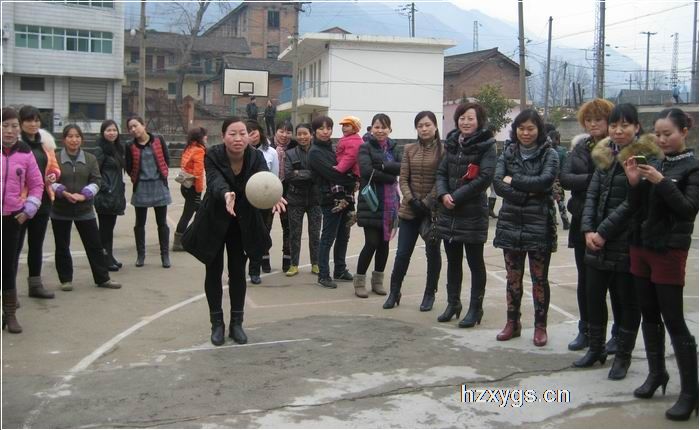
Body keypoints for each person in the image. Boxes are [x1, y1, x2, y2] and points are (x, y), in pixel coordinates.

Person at [182, 116, 286, 346]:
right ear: (223, 136)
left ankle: (236, 323)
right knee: (213, 270)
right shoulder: (213, 154)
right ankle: (216, 324)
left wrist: (274, 195)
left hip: (243, 222)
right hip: (214, 219)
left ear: (249, 136)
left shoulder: (256, 156)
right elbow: (214, 181)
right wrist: (225, 194)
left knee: (238, 271)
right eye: (232, 133)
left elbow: (264, 181)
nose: (238, 138)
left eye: (242, 133)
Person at [574, 103, 660, 380]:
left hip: (627, 241)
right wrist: (588, 229)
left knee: (626, 301)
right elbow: (592, 195)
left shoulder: (645, 157)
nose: (618, 130)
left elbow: (633, 204)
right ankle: (596, 348)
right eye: (614, 125)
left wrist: (602, 232)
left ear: (637, 127)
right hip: (596, 240)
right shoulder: (605, 154)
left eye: (625, 125)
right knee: (594, 296)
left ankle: (623, 356)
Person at [622, 108, 698, 421]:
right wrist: (634, 183)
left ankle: (690, 393)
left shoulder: (692, 167)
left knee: (673, 319)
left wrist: (662, 182)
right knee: (649, 314)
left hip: (668, 249)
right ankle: (657, 374)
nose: (662, 139)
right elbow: (637, 207)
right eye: (658, 134)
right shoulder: (655, 162)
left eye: (669, 133)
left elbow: (688, 209)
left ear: (684, 132)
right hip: (641, 245)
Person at [493, 109, 559, 347]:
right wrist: (526, 194)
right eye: (521, 128)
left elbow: (545, 182)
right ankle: (513, 322)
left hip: (539, 223)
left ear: (539, 130)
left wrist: (514, 181)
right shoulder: (508, 152)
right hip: (510, 222)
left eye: (531, 128)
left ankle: (540, 326)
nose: (526, 133)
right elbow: (498, 183)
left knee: (539, 278)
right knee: (513, 277)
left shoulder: (550, 154)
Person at [560, 98, 615, 352]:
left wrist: (587, 181)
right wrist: (595, 178)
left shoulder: (618, 148)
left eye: (598, 119)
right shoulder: (580, 147)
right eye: (589, 120)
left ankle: (617, 334)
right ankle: (586, 329)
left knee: (615, 283)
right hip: (582, 220)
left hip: (610, 223)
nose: (593, 124)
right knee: (585, 280)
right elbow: (565, 178)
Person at [434, 103, 496, 326]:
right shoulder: (452, 143)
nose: (466, 122)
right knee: (453, 261)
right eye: (462, 118)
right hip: (449, 212)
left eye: (470, 118)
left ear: (479, 121)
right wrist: (443, 194)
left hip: (472, 213)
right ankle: (453, 304)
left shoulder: (487, 145)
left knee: (475, 262)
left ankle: (475, 308)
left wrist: (456, 197)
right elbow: (441, 172)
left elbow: (485, 178)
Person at [384, 111, 444, 311]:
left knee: (432, 254)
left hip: (432, 212)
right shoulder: (409, 149)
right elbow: (403, 178)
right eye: (420, 125)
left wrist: (426, 202)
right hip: (409, 211)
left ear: (435, 126)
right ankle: (394, 292)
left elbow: (441, 179)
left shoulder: (444, 151)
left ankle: (429, 293)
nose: (424, 129)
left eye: (427, 125)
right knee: (402, 254)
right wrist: (411, 199)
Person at [50, 125, 122, 290]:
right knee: (62, 246)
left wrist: (84, 195)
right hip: (61, 210)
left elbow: (96, 180)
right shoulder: (55, 158)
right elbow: (50, 180)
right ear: (64, 139)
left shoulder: (90, 159)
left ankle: (103, 278)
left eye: (77, 136)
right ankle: (66, 280)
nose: (74, 140)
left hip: (85, 210)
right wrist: (62, 192)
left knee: (94, 245)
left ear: (81, 139)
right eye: (70, 136)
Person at [2, 107, 44, 333]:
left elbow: (37, 184)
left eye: (13, 126)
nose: (9, 131)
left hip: (12, 218)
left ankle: (9, 313)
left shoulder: (25, 152)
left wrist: (28, 209)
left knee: (8, 266)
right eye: (4, 125)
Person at [15, 105, 61, 300]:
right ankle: (9, 291)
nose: (33, 124)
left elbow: (54, 167)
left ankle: (35, 285)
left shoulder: (45, 143)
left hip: (42, 201)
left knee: (36, 245)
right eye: (28, 120)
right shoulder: (14, 144)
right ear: (20, 123)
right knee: (14, 247)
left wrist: (53, 175)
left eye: (36, 120)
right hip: (19, 203)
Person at [355, 113, 401, 298]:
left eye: (384, 127)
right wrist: (389, 175)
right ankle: (359, 282)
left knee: (384, 244)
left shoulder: (395, 147)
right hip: (371, 202)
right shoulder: (365, 147)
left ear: (390, 129)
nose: (380, 130)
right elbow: (366, 171)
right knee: (372, 242)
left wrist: (381, 166)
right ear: (371, 128)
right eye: (377, 127)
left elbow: (401, 167)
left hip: (390, 204)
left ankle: (377, 282)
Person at [308, 115, 356, 289]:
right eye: (321, 128)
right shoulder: (315, 152)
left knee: (344, 235)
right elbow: (333, 174)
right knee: (328, 237)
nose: (325, 132)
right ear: (314, 131)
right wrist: (353, 180)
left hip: (345, 197)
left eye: (328, 128)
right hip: (330, 199)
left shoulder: (333, 148)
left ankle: (340, 270)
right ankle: (323, 275)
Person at [125, 116, 173, 268]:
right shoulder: (129, 145)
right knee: (140, 223)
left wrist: (162, 175)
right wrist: (137, 177)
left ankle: (165, 255)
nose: (133, 129)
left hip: (159, 185)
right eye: (130, 128)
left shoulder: (158, 139)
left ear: (143, 125)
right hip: (141, 187)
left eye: (135, 125)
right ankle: (141, 255)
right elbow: (128, 165)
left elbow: (166, 159)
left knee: (162, 223)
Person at [284, 123, 321, 276]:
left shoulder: (318, 152)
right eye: (299, 134)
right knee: (294, 233)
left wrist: (299, 173)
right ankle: (294, 264)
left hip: (315, 199)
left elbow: (320, 174)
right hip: (295, 199)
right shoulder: (290, 153)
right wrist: (309, 174)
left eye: (305, 133)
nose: (302, 137)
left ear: (311, 135)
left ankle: (316, 263)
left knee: (315, 233)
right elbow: (288, 175)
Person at [246, 120, 278, 283]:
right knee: (243, 235)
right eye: (248, 132)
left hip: (264, 199)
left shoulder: (270, 152)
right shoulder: (240, 152)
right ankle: (236, 271)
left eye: (254, 131)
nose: (252, 135)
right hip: (245, 200)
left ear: (260, 131)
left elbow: (274, 177)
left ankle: (255, 269)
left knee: (261, 234)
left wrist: (275, 197)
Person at [93, 120, 126, 271]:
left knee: (109, 228)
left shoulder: (116, 149)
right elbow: (95, 173)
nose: (112, 133)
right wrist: (107, 189)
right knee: (104, 230)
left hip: (115, 195)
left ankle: (109, 256)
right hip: (106, 195)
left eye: (114, 130)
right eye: (108, 130)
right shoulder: (100, 150)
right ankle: (103, 259)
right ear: (103, 132)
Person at [172, 127, 207, 252]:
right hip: (193, 188)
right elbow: (198, 173)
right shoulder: (199, 150)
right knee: (188, 215)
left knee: (202, 212)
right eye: (205, 135)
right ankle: (178, 242)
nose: (206, 138)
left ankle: (198, 236)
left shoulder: (189, 148)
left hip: (185, 186)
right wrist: (199, 190)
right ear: (200, 137)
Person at [273, 120, 295, 273]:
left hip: (288, 193)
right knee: (264, 227)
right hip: (268, 191)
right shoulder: (266, 146)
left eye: (288, 132)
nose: (284, 135)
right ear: (276, 131)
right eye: (281, 131)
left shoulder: (295, 147)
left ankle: (287, 259)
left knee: (288, 228)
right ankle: (263, 257)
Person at [331, 116, 363, 215]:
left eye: (347, 126)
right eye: (343, 126)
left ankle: (340, 200)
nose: (344, 128)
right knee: (349, 191)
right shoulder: (350, 139)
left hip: (349, 169)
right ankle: (351, 212)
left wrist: (340, 168)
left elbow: (350, 157)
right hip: (352, 170)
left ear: (354, 128)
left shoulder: (352, 141)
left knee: (335, 180)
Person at [548, 129, 571, 230]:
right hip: (557, 180)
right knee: (560, 201)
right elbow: (565, 166)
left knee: (550, 201)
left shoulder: (545, 150)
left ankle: (553, 221)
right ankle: (565, 221)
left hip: (547, 179)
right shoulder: (562, 151)